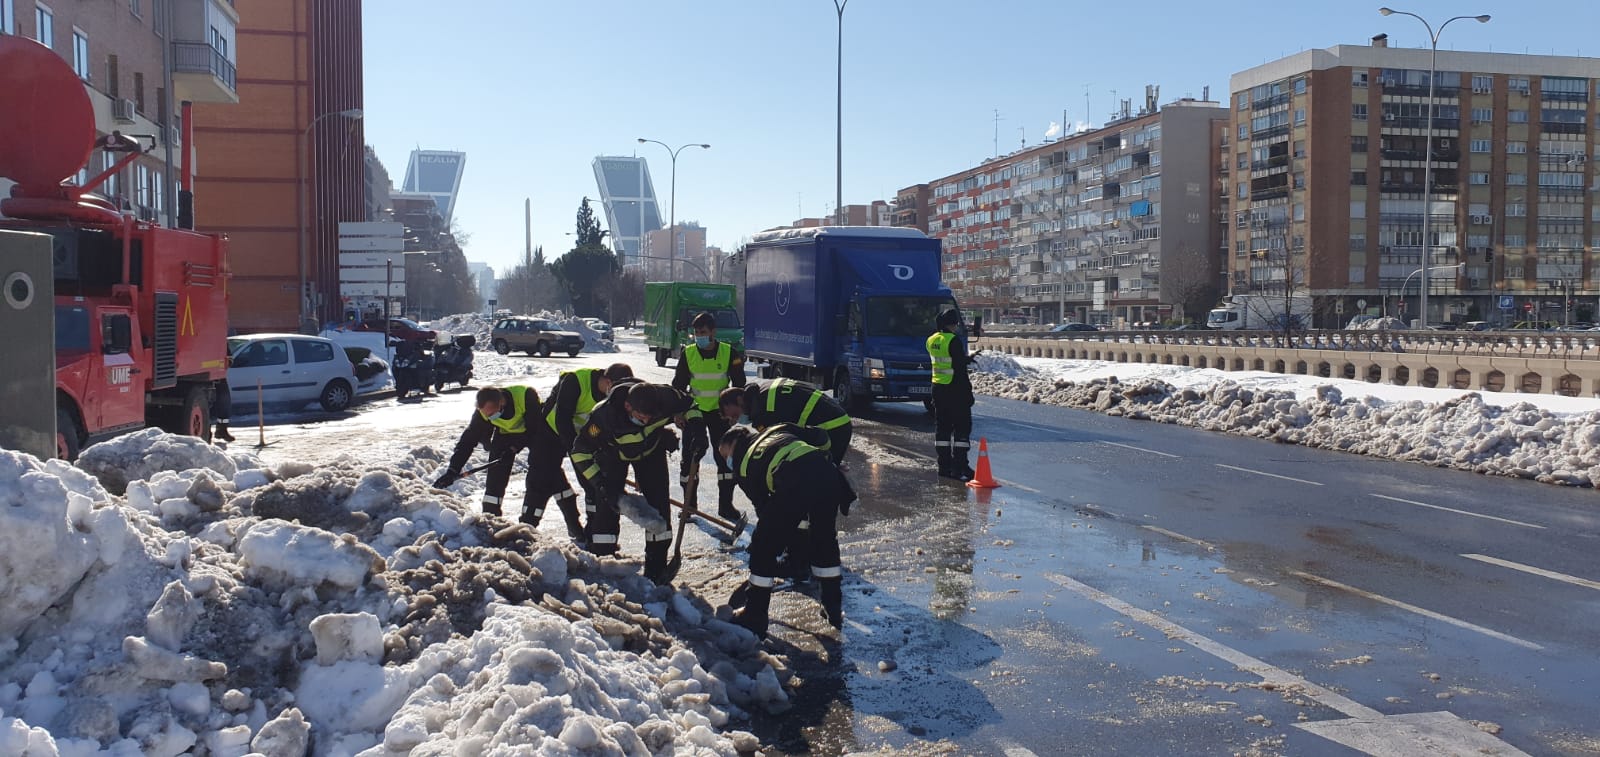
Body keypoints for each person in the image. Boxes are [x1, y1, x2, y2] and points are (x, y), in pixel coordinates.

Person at [718, 423, 856, 639]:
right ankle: (833, 608)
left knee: (763, 546)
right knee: (824, 542)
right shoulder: (778, 429)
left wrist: (774, 547)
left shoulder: (744, 466)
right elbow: (821, 436)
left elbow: (767, 515)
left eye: (726, 456)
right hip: (828, 475)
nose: (728, 463)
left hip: (794, 479)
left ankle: (754, 616)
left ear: (734, 444)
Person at [569, 381, 696, 583]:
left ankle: (656, 570)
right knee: (607, 508)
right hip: (613, 456)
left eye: (650, 417)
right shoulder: (603, 417)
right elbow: (579, 452)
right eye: (641, 416)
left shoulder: (666, 398)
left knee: (659, 508)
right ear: (628, 407)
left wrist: (696, 430)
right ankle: (604, 565)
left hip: (651, 453)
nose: (646, 421)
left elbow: (691, 406)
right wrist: (600, 484)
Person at [536, 363, 634, 542]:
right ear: (606, 380)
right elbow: (563, 421)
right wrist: (577, 453)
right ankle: (533, 523)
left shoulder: (614, 396)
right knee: (543, 476)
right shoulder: (575, 382)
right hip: (554, 433)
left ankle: (591, 530)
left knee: (592, 486)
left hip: (586, 438)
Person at [433, 385, 551, 523]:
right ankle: (491, 521)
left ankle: (528, 523)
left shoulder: (526, 396)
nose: (490, 417)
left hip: (535, 434)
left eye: (493, 414)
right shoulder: (483, 412)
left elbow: (534, 429)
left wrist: (513, 448)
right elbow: (468, 440)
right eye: (487, 415)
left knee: (541, 473)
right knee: (494, 481)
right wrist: (453, 470)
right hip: (505, 436)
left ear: (502, 403)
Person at [672, 311, 747, 521]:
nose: (699, 337)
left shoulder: (729, 353)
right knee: (689, 459)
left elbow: (739, 384)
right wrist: (678, 412)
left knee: (724, 460)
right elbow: (678, 386)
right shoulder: (689, 354)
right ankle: (689, 506)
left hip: (719, 414)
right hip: (694, 412)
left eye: (703, 332)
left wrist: (735, 413)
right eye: (696, 333)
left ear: (713, 332)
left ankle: (726, 506)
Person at [717, 378, 852, 465]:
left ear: (740, 400)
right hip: (836, 420)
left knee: (820, 479)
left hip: (831, 427)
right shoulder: (762, 392)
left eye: (735, 415)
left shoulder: (766, 412)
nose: (736, 421)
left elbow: (781, 446)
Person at [926, 308, 977, 481]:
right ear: (953, 324)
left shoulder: (931, 340)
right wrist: (968, 394)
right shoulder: (953, 340)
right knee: (962, 429)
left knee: (943, 430)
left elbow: (945, 360)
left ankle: (944, 466)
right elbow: (959, 369)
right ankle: (960, 466)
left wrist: (964, 359)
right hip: (955, 390)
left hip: (938, 388)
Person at [211, 377, 234, 443]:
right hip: (211, 372)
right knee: (223, 400)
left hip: (217, 373)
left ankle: (222, 430)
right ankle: (208, 432)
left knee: (224, 401)